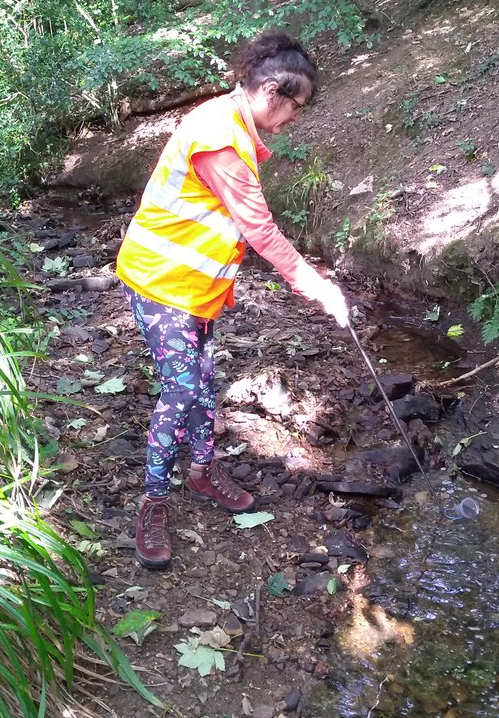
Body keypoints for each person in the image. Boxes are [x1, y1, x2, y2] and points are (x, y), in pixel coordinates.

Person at [116, 29, 349, 569]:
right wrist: (314, 284)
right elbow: (258, 228)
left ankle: (201, 473)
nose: (296, 118)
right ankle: (152, 501)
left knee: (203, 384)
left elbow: (214, 223)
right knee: (182, 391)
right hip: (160, 285)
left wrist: (225, 285)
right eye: (297, 106)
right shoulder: (219, 137)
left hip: (195, 289)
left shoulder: (231, 122)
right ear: (272, 91)